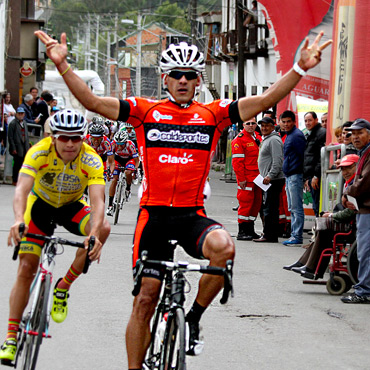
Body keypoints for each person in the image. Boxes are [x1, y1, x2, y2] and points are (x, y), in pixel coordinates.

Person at [34, 29, 331, 369]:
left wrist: (300, 69)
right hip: (153, 218)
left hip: (192, 214)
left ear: (197, 80)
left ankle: (192, 318)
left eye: (190, 75)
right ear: (165, 78)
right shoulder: (144, 111)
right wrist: (62, 65)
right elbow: (93, 102)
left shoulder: (213, 114)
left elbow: (263, 101)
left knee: (225, 247)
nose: (183, 80)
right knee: (145, 300)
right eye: (176, 75)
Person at [0, 109, 111, 362]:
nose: (70, 143)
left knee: (103, 227)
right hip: (40, 207)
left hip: (71, 207)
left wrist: (93, 233)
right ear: (53, 138)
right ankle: (10, 336)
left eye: (76, 138)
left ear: (83, 138)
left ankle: (63, 286)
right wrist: (18, 220)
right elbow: (21, 191)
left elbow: (97, 201)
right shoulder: (39, 152)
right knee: (26, 268)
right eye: (64, 138)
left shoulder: (91, 159)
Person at [284, 154, 358, 278]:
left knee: (324, 229)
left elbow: (351, 211)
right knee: (322, 226)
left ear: (357, 167)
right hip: (349, 220)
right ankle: (305, 264)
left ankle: (312, 268)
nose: (345, 172)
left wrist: (333, 216)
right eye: (343, 169)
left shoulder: (356, 184)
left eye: (349, 168)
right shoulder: (349, 182)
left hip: (354, 225)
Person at [341, 119, 370, 303]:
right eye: (353, 133)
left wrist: (347, 193)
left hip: (367, 210)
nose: (355, 137)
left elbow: (362, 184)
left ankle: (364, 291)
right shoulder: (363, 153)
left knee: (365, 252)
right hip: (363, 209)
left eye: (360, 133)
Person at [253, 116, 284, 243]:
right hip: (267, 179)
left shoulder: (274, 140)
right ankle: (268, 233)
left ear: (272, 126)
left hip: (273, 179)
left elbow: (278, 160)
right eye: (262, 125)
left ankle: (270, 235)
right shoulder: (267, 139)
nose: (264, 128)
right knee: (268, 207)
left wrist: (270, 175)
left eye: (266, 125)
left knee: (270, 208)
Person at [232, 117, 262, 240]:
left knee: (256, 204)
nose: (251, 125)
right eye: (248, 123)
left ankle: (250, 230)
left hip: (258, 177)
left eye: (253, 123)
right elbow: (237, 162)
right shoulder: (239, 140)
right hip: (247, 178)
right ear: (243, 124)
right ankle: (242, 231)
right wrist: (241, 178)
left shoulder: (258, 137)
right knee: (245, 204)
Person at [280, 110, 306, 245]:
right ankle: (294, 235)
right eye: (283, 122)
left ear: (294, 122)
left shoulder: (296, 136)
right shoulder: (290, 135)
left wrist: (305, 175)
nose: (286, 124)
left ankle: (297, 236)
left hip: (295, 175)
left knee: (296, 207)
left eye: (289, 121)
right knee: (292, 207)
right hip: (290, 175)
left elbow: (303, 156)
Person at [106, 130, 140, 216]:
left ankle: (128, 189)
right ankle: (110, 206)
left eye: (121, 144)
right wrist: (109, 170)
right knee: (114, 180)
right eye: (118, 144)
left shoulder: (130, 145)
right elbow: (110, 160)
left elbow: (136, 161)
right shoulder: (113, 144)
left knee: (128, 172)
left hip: (129, 159)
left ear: (125, 142)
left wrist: (135, 170)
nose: (119, 146)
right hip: (118, 159)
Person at [303, 111, 326, 217]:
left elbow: (321, 157)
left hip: (318, 177)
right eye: (305, 121)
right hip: (312, 177)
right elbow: (309, 158)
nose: (307, 123)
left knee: (318, 206)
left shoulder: (321, 133)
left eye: (310, 120)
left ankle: (320, 231)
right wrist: (307, 178)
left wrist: (316, 176)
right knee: (316, 205)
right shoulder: (311, 134)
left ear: (316, 120)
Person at [7, 107, 30, 185]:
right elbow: (10, 137)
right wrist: (13, 148)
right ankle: (15, 180)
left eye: (22, 113)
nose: (20, 115)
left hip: (24, 147)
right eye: (19, 113)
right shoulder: (13, 124)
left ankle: (21, 180)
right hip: (17, 147)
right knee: (17, 165)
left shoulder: (25, 123)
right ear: (16, 114)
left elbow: (26, 135)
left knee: (23, 165)